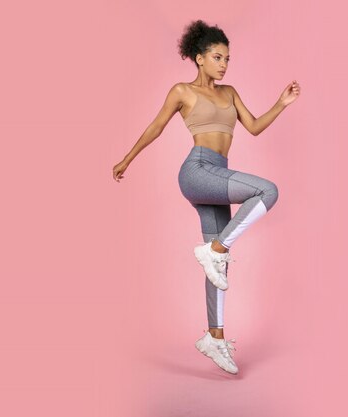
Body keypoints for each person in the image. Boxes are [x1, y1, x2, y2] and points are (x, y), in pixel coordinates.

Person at [112, 19, 300, 374]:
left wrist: (282, 103)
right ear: (199, 58)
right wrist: (127, 158)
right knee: (267, 190)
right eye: (217, 57)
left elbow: (255, 127)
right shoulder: (182, 90)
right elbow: (156, 126)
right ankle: (214, 250)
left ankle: (214, 337)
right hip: (197, 170)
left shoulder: (229, 92)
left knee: (219, 269)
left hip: (217, 172)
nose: (224, 64)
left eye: (227, 58)